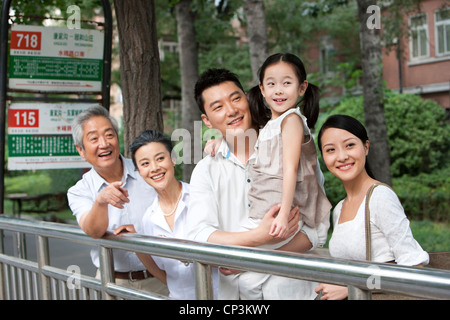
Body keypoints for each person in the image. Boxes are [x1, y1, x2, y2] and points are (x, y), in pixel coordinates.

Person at [187, 68, 329, 300]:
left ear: (248, 97)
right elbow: (200, 235)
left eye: (236, 99)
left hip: (296, 292)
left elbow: (317, 230)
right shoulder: (206, 170)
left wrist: (252, 262)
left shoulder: (288, 145)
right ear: (207, 120)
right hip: (237, 296)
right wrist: (260, 237)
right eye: (218, 107)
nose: (232, 111)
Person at [315, 114, 429, 300]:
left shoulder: (380, 197)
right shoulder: (339, 209)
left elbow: (414, 267)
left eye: (350, 145)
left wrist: (349, 288)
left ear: (366, 147)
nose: (342, 156)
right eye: (330, 150)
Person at [67, 105, 169, 295]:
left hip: (159, 279)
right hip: (112, 282)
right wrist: (101, 201)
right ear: (81, 150)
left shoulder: (146, 172)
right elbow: (94, 231)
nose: (104, 144)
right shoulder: (78, 191)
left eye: (109, 135)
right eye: (94, 139)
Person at [114, 130, 218, 299]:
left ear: (173, 159)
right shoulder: (149, 218)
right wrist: (136, 239)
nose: (154, 168)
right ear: (139, 171)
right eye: (145, 164)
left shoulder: (200, 198)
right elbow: (164, 273)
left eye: (160, 158)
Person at [247, 52, 331, 243]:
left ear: (302, 88)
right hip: (263, 211)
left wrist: (284, 215)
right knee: (232, 260)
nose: (278, 90)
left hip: (282, 217)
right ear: (262, 89)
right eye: (271, 84)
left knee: (234, 260)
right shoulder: (269, 126)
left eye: (286, 83)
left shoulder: (291, 120)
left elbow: (290, 169)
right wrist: (218, 141)